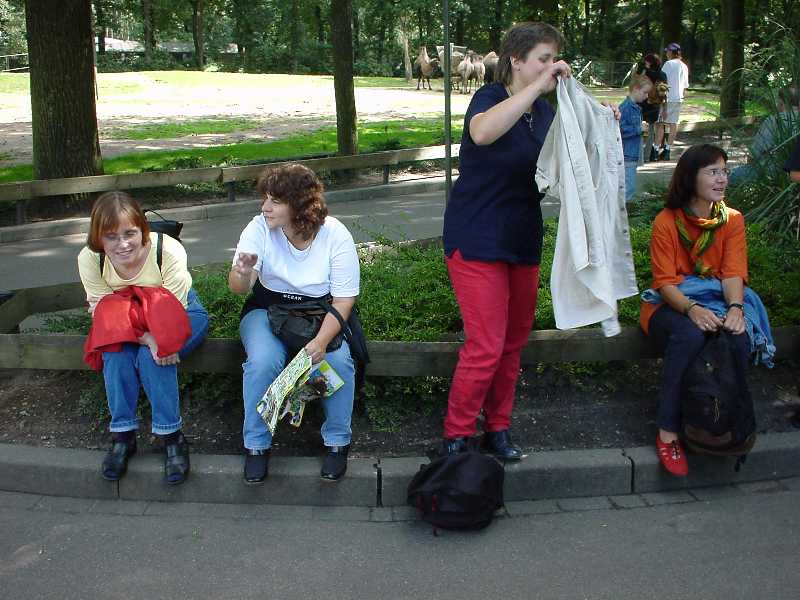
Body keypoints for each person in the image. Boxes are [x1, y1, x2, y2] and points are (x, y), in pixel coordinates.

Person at [440, 22, 619, 460]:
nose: (554, 66)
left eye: (554, 58)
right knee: (485, 345)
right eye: (544, 58)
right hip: (476, 236)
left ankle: (497, 429)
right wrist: (539, 86)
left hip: (522, 237)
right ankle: (456, 437)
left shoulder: (545, 114)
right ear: (516, 60)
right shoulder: (490, 98)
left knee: (512, 344)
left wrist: (602, 122)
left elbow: (572, 166)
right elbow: (482, 133)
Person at [228, 164, 359, 484]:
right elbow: (239, 288)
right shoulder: (259, 228)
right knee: (262, 361)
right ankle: (257, 445)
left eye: (275, 201)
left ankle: (337, 441)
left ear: (299, 205)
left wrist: (321, 342)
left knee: (338, 361)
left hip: (319, 313)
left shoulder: (335, 233)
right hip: (267, 308)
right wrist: (242, 273)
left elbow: (344, 300)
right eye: (265, 198)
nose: (265, 207)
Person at [640, 144, 758, 477]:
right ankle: (668, 431)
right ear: (691, 177)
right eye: (713, 172)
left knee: (737, 337)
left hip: (718, 302)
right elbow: (664, 283)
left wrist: (736, 308)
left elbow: (733, 272)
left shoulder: (732, 220)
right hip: (669, 305)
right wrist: (692, 309)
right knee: (691, 335)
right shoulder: (666, 222)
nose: (722, 179)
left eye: (725, 172)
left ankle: (729, 425)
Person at [77, 191, 209, 484]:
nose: (123, 244)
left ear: (142, 230)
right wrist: (146, 338)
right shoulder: (90, 258)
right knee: (115, 354)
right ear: (98, 237)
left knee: (155, 356)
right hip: (125, 320)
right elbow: (106, 316)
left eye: (130, 233)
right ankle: (123, 436)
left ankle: (172, 436)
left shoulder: (168, 250)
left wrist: (155, 340)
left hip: (179, 312)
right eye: (111, 237)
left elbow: (170, 315)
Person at [730, 87, 800, 185]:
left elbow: (755, 152)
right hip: (794, 175)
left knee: (732, 175)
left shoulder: (774, 120)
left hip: (771, 172)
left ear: (781, 102)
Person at [619, 73, 653, 201]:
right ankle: (620, 210)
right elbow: (620, 130)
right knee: (628, 187)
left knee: (628, 187)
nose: (646, 96)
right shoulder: (626, 108)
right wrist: (639, 129)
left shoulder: (635, 108)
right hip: (627, 155)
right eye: (645, 92)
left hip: (632, 153)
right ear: (636, 89)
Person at [654, 43, 689, 161]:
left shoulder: (668, 64)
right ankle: (668, 150)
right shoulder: (684, 66)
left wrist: (659, 97)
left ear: (671, 52)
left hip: (667, 98)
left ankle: (655, 150)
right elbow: (685, 86)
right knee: (673, 124)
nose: (666, 53)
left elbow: (662, 82)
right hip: (678, 98)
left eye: (667, 51)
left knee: (660, 123)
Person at [637, 53, 668, 162]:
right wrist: (664, 107)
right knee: (650, 131)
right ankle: (646, 156)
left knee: (640, 129)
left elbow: (637, 85)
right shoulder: (662, 74)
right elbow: (664, 93)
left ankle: (639, 155)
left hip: (643, 103)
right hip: (655, 105)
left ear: (649, 62)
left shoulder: (645, 73)